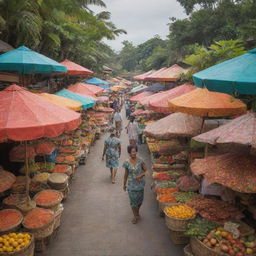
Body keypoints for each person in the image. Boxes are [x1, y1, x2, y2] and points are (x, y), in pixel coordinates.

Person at [123, 145, 147, 224]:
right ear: (129, 152)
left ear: (136, 151)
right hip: (131, 185)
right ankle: (135, 215)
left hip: (140, 185)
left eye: (134, 151)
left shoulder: (141, 161)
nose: (133, 153)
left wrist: (141, 175)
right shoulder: (126, 162)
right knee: (133, 202)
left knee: (139, 201)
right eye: (131, 152)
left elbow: (146, 171)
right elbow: (126, 174)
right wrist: (124, 184)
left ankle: (137, 212)